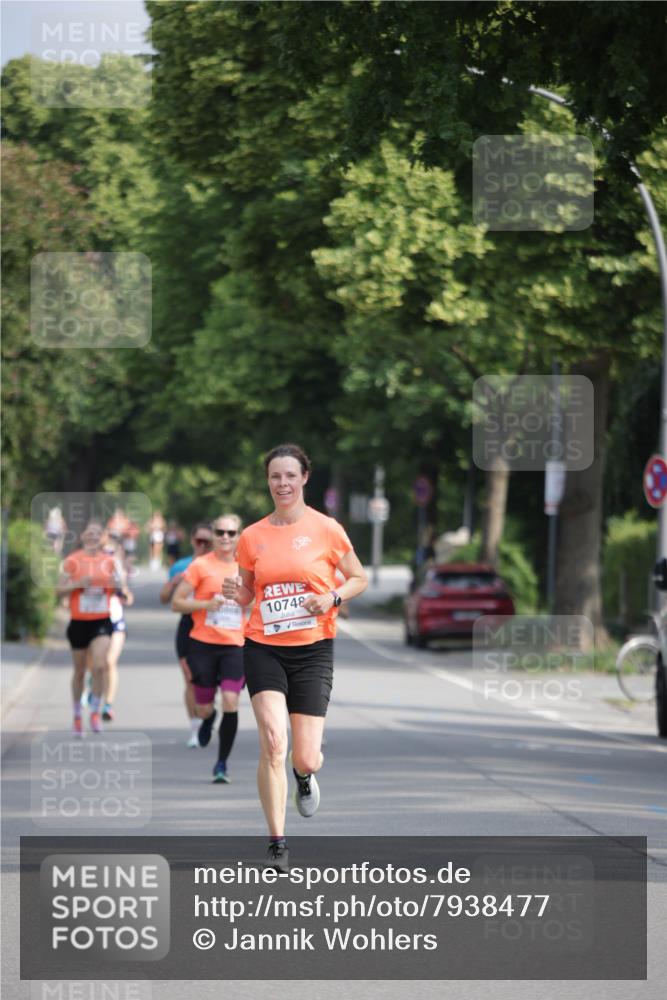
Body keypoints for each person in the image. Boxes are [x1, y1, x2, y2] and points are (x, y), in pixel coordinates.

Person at [223, 444, 367, 871]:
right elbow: (250, 592)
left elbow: (358, 577)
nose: (282, 483)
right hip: (264, 646)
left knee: (305, 756)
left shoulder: (327, 530)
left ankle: (303, 776)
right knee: (272, 741)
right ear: (267, 481)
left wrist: (332, 596)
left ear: (305, 478)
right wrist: (237, 594)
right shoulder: (251, 536)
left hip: (313, 650)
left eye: (289, 475)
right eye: (274, 477)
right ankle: (277, 843)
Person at [172, 514, 246, 781]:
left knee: (231, 700)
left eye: (231, 533)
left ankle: (221, 764)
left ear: (240, 535)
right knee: (204, 707)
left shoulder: (248, 568)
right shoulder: (201, 566)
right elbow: (176, 603)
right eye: (220, 532)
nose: (225, 537)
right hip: (202, 644)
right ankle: (207, 716)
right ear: (213, 535)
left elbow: (257, 603)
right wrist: (205, 605)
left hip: (235, 645)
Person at [56, 520, 119, 735]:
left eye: (97, 535)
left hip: (102, 620)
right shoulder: (72, 561)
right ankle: (76, 715)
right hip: (79, 621)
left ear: (102, 539)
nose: (92, 538)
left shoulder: (109, 561)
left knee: (100, 665)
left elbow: (120, 587)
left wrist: (119, 586)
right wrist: (76, 584)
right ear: (83, 538)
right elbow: (58, 591)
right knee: (80, 671)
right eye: (89, 535)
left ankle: (94, 711)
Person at [160, 522, 213, 746]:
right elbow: (164, 599)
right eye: (199, 541)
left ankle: (207, 712)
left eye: (207, 542)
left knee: (208, 682)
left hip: (215, 628)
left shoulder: (219, 565)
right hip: (188, 625)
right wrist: (173, 584)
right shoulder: (181, 566)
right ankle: (195, 728)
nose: (202, 545)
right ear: (192, 541)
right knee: (189, 678)